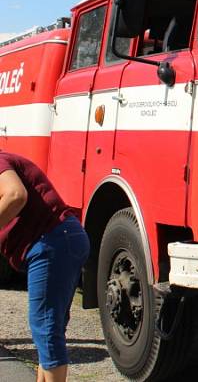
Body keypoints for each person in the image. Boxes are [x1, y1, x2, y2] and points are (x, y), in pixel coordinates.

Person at [0, 152, 89, 382]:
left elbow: (15, 195)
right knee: (48, 331)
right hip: (61, 239)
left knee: (46, 330)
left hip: (53, 241)